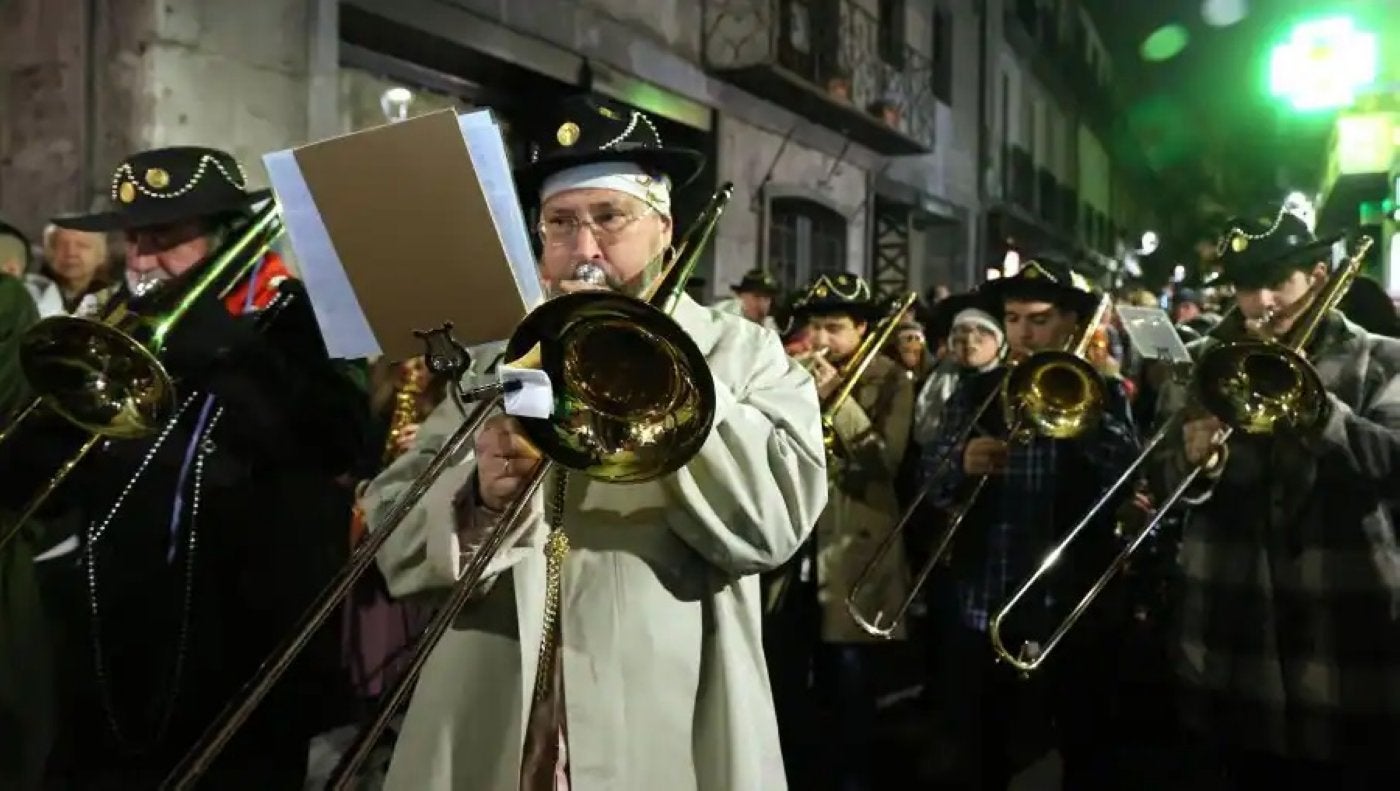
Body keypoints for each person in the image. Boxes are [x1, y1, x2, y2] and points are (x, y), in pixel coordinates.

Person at [364, 95, 828, 791]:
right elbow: (391, 519)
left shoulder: (739, 351)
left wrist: (665, 382)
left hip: (660, 711)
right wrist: (474, 500)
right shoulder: (505, 354)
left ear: (665, 228)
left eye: (609, 218)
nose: (585, 248)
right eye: (561, 223)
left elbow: (777, 520)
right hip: (495, 707)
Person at [0, 145, 370, 788]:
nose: (143, 261)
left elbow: (346, 443)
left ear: (226, 235)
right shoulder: (119, 319)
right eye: (135, 239)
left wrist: (229, 345)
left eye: (165, 237)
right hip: (114, 631)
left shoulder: (293, 315)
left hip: (242, 639)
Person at [1151, 209, 1400, 788]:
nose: (1260, 300)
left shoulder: (1383, 359)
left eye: (1277, 281)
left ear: (1318, 275)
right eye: (1244, 284)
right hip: (1230, 638)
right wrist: (1192, 462)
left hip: (1347, 633)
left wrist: (1320, 413)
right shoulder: (1201, 362)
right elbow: (1160, 484)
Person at [921, 255, 1140, 789]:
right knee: (981, 747)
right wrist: (961, 460)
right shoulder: (977, 392)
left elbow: (1127, 476)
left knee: (1085, 745)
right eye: (1014, 318)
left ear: (1069, 322)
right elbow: (934, 480)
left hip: (1069, 597)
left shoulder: (1103, 391)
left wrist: (1086, 413)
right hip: (987, 593)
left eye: (1039, 319)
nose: (1024, 331)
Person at [713, 268, 781, 331]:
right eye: (756, 296)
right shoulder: (723, 317)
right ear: (741, 296)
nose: (762, 304)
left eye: (766, 298)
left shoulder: (771, 327)